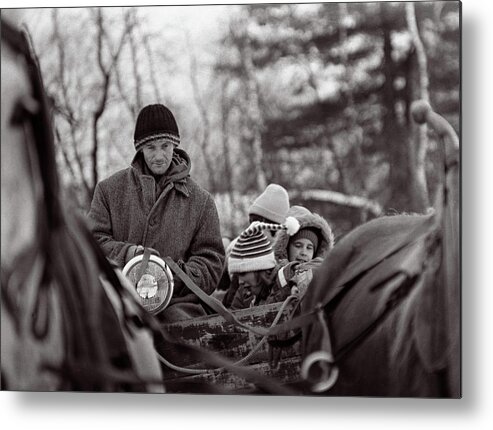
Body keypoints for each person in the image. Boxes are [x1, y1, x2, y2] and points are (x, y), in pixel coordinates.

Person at [88, 103, 225, 322]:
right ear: (139, 149)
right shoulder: (108, 191)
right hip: (119, 300)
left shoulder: (202, 202)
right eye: (151, 147)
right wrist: (129, 255)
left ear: (175, 145)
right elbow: (93, 242)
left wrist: (170, 276)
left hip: (179, 304)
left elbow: (212, 262)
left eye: (165, 146)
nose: (159, 155)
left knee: (175, 333)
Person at [222, 183, 290, 307]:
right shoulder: (243, 253)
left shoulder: (284, 262)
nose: (254, 228)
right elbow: (231, 303)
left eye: (260, 224)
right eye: (253, 222)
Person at [227, 218, 300, 310]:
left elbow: (316, 267)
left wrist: (298, 283)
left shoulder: (287, 276)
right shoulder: (255, 295)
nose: (240, 281)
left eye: (242, 274)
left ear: (259, 268)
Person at [267, 205, 335, 304]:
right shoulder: (270, 275)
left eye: (309, 248)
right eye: (298, 246)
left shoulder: (323, 276)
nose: (303, 252)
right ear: (286, 247)